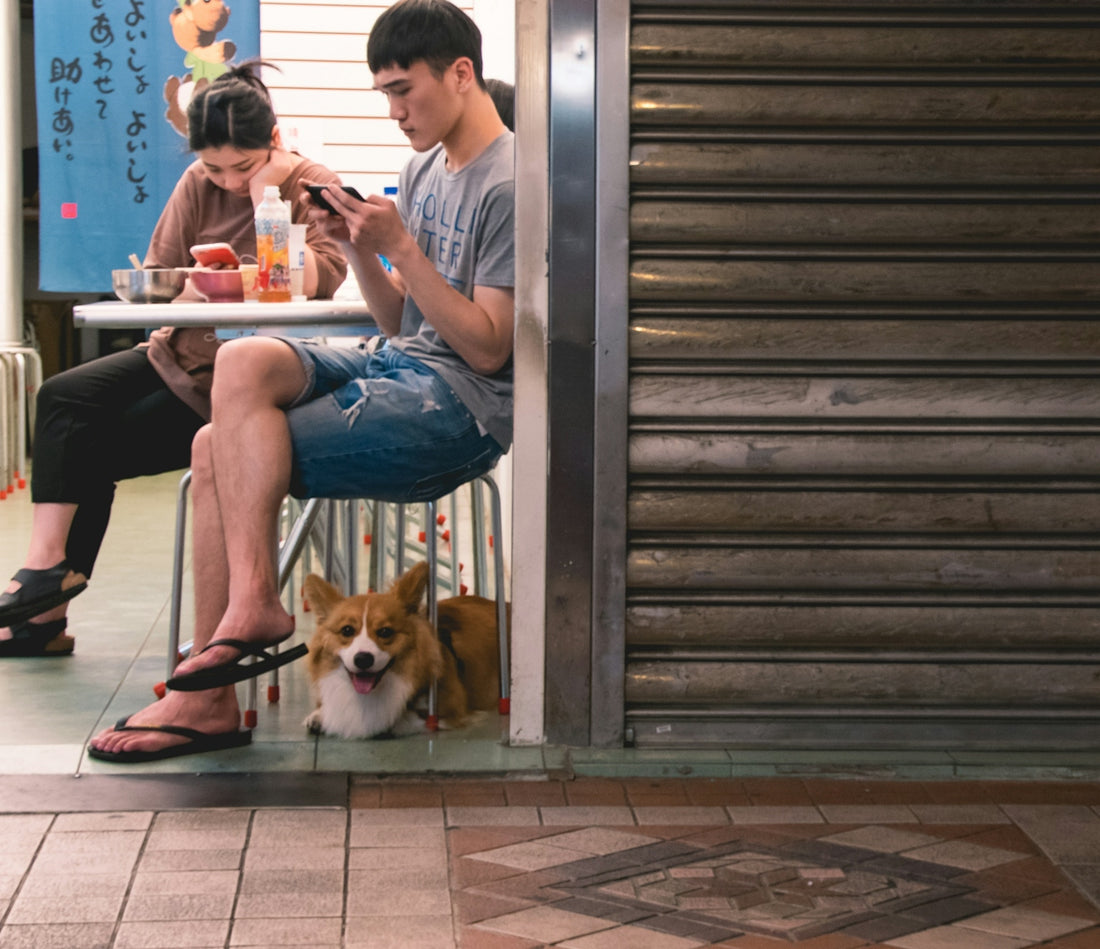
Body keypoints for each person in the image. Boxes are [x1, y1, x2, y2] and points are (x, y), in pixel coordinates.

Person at [88, 0, 514, 762]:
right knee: (242, 357)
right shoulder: (423, 170)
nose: (394, 112)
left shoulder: (512, 183)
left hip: (459, 411)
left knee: (217, 449)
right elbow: (398, 325)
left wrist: (404, 252)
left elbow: (486, 349)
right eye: (382, 93)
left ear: (460, 73)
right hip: (402, 366)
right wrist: (360, 247)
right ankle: (253, 603)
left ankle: (211, 696)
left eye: (402, 90)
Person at [0, 63, 347, 656]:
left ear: (273, 140)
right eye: (214, 167)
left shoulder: (311, 182)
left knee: (93, 445)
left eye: (243, 166)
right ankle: (44, 570)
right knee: (62, 396)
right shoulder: (197, 182)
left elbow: (322, 280)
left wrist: (272, 197)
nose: (228, 181)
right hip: (176, 353)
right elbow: (160, 278)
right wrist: (198, 281)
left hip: (246, 379)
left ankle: (44, 612)